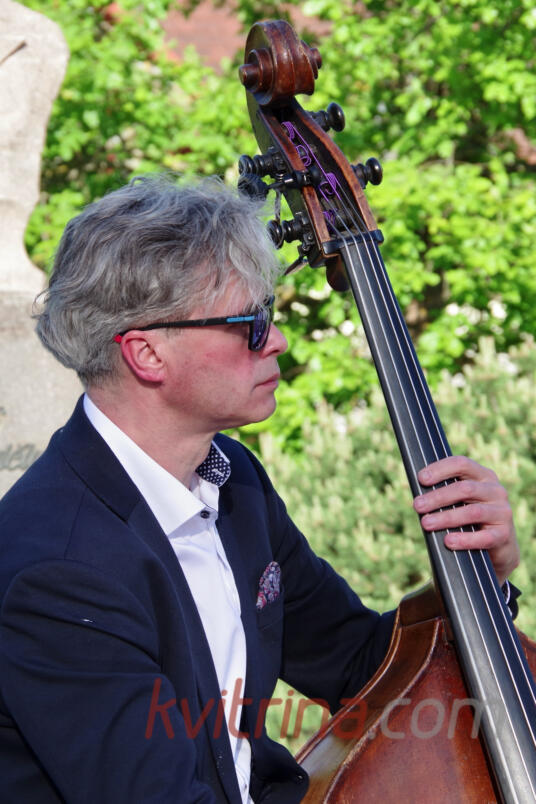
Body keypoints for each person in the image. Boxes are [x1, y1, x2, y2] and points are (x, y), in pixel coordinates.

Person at [0, 175, 520, 803]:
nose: (275, 340)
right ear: (147, 354)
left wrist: (479, 575)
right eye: (250, 322)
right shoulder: (56, 572)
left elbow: (358, 666)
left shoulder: (233, 479)